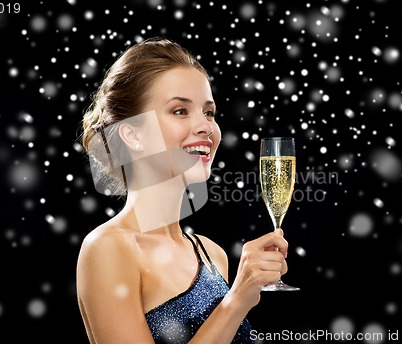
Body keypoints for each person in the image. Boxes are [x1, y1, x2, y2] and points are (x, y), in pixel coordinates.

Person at [76, 36, 289, 344]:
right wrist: (237, 299)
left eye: (209, 112)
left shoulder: (212, 254)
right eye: (180, 111)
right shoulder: (108, 249)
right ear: (133, 135)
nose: (205, 126)